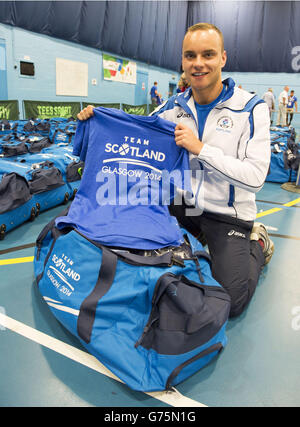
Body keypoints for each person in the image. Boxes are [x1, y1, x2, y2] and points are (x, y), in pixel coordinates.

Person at [77, 22, 274, 318]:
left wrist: (200, 149)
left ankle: (258, 243)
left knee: (230, 302)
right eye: (190, 56)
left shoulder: (251, 108)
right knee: (135, 242)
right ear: (182, 61)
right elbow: (137, 127)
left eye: (207, 55)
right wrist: (98, 116)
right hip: (184, 205)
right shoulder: (173, 105)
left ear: (223, 58)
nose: (198, 64)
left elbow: (256, 177)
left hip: (228, 216)